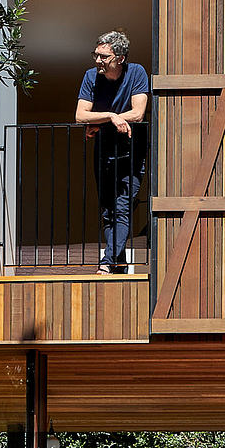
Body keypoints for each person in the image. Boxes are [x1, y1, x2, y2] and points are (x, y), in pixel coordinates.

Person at [76, 30, 149, 273]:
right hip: (103, 151)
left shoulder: (136, 72)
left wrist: (98, 123)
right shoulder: (91, 76)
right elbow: (80, 115)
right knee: (108, 210)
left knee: (122, 207)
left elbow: (138, 113)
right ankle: (117, 263)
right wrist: (111, 116)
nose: (97, 61)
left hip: (132, 151)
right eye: (96, 55)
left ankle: (108, 262)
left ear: (120, 58)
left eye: (103, 57)